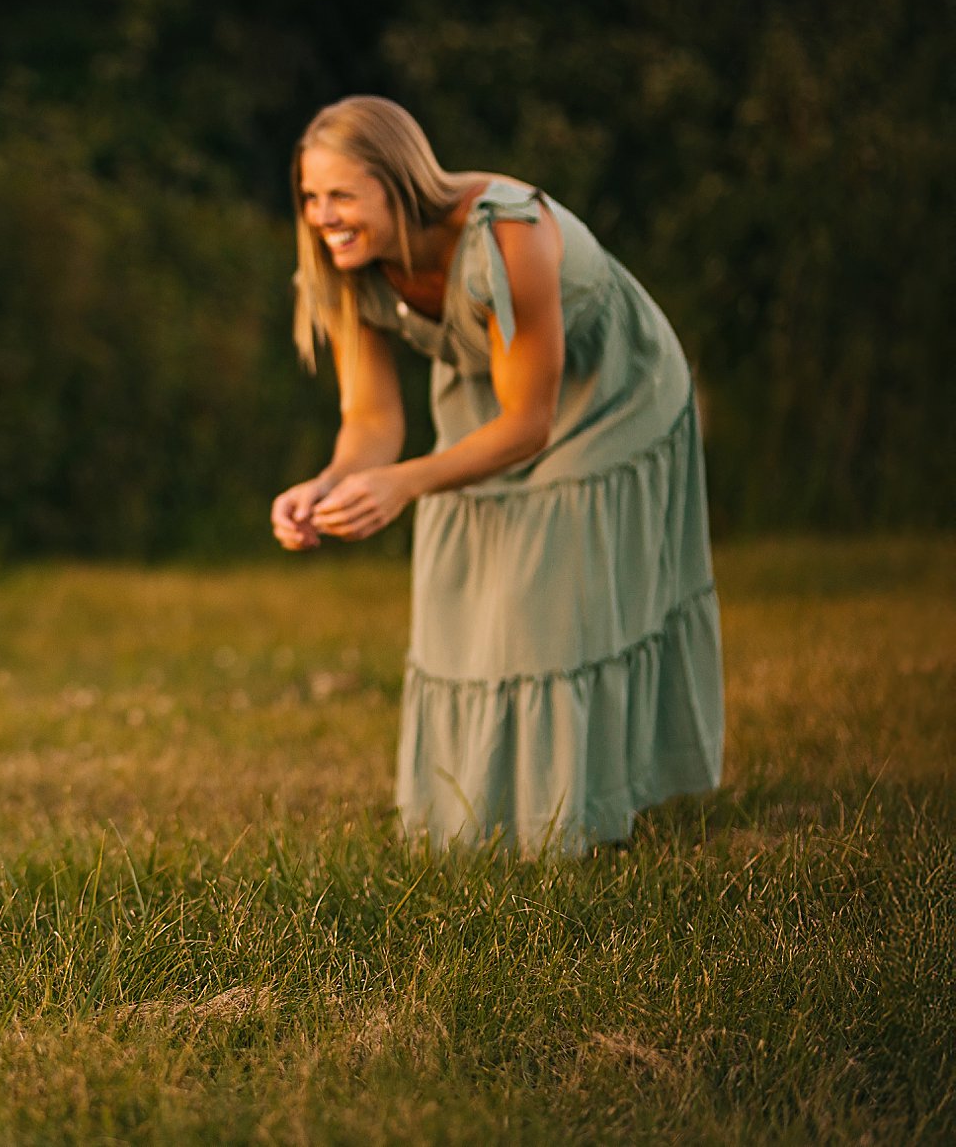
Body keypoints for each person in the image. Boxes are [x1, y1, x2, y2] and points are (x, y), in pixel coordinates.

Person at [271, 96, 722, 854]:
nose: (324, 215)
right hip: (486, 400)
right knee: (467, 600)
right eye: (311, 197)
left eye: (342, 195)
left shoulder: (509, 233)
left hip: (609, 396)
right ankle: (477, 826)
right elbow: (374, 424)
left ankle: (577, 828)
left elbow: (528, 425)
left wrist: (407, 484)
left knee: (551, 607)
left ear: (400, 184)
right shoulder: (341, 265)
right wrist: (330, 486)